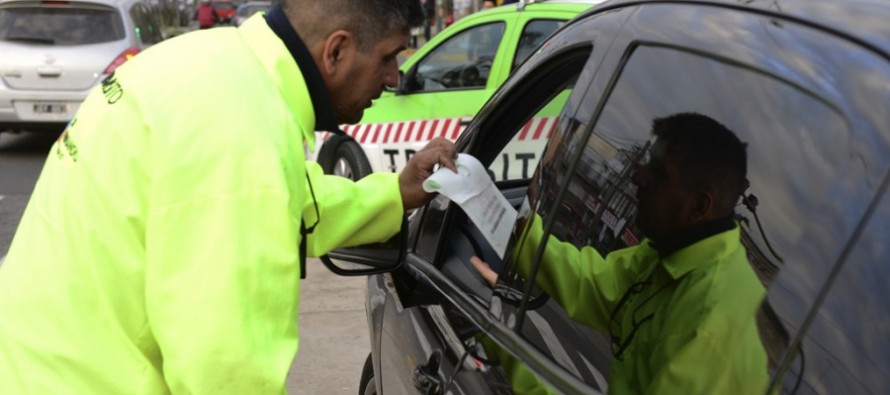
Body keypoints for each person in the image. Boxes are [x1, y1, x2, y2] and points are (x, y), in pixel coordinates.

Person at [0, 0, 456, 394]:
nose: (395, 78)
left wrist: (395, 192)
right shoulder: (242, 141)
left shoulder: (216, 64)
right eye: (389, 57)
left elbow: (286, 193)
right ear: (336, 51)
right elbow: (227, 368)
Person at [471, 113, 768, 394]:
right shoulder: (669, 253)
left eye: (658, 172)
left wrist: (511, 354)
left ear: (698, 207)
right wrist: (517, 226)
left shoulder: (711, 329)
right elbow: (590, 284)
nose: (637, 176)